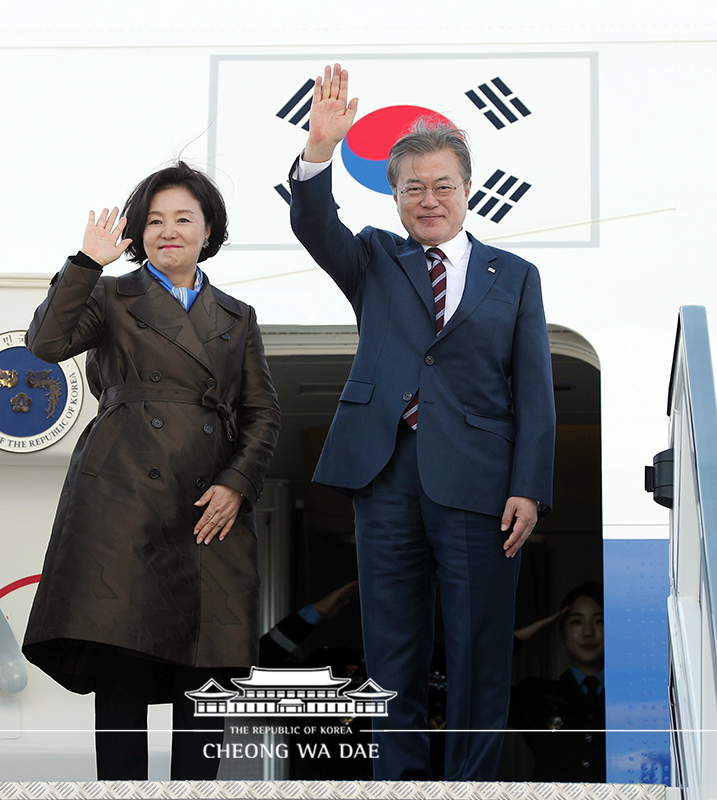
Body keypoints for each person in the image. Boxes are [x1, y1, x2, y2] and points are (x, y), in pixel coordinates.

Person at [288, 64, 556, 781]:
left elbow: (535, 392)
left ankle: (471, 785)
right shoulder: (376, 256)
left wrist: (529, 486)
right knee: (393, 649)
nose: (428, 200)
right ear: (396, 195)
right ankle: (398, 787)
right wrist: (319, 149)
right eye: (413, 188)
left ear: (467, 190)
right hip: (386, 475)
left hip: (480, 481)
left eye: (443, 185)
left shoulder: (516, 275)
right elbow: (313, 222)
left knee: (478, 648)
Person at [21, 162, 281, 780]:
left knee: (204, 673)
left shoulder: (237, 315)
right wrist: (87, 263)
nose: (169, 231)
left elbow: (263, 411)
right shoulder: (111, 294)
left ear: (208, 229)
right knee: (122, 662)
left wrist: (237, 483)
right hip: (121, 496)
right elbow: (45, 345)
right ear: (138, 232)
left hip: (208, 503)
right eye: (155, 220)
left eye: (183, 219)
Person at [509, 582, 606, 781]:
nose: (588, 632)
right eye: (576, 622)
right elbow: (475, 687)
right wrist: (519, 638)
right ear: (560, 631)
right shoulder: (535, 695)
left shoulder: (632, 697)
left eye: (600, 621)